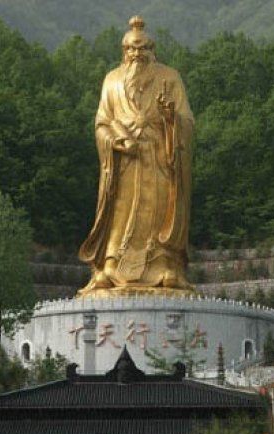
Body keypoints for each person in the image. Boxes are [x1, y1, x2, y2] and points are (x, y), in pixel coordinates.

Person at [78, 16, 194, 294]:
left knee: (159, 210)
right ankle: (111, 265)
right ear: (124, 51)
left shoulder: (170, 77)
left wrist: (170, 118)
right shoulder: (112, 80)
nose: (136, 54)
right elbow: (102, 122)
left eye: (142, 48)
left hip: (159, 156)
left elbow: (187, 121)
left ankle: (165, 265)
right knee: (119, 211)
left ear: (152, 50)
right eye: (131, 48)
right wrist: (117, 141)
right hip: (124, 160)